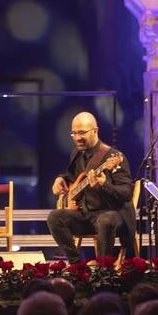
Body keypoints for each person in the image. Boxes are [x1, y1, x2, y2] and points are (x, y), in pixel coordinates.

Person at [47, 111, 136, 263]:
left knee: (105, 220)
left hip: (113, 215)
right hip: (87, 215)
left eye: (81, 133)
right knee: (54, 217)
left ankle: (103, 270)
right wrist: (59, 179)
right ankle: (77, 265)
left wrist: (104, 185)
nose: (77, 138)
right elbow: (71, 176)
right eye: (73, 133)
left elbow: (126, 193)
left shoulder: (113, 157)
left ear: (95, 131)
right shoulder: (77, 153)